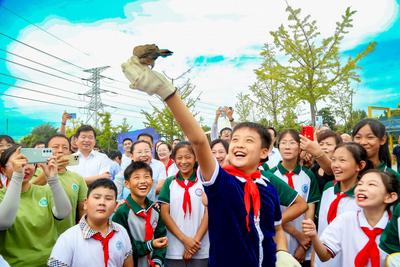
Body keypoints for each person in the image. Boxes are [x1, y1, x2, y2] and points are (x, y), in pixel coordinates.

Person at [121, 55, 300, 266]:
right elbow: (198, 141)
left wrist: (283, 254)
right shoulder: (222, 182)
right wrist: (166, 92)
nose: (239, 144)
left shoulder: (268, 186)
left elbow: (276, 229)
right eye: (235, 139)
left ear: (264, 152)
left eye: (248, 140)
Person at [303, 170, 399, 267]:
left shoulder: (395, 226)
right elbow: (324, 256)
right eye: (360, 184)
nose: (361, 188)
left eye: (371, 184)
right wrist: (314, 236)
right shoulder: (345, 219)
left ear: (390, 197)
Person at [0, 145, 71, 267]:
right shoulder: (2, 196)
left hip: (51, 262)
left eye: (29, 163)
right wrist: (17, 176)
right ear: (3, 170)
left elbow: (63, 213)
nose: (25, 167)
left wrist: (53, 179)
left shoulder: (45, 191)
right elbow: (4, 222)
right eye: (18, 162)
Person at [48, 178, 134, 267]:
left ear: (116, 206)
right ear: (85, 203)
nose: (102, 202)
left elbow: (128, 263)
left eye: (108, 198)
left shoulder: (121, 232)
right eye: (97, 197)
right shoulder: (68, 238)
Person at [269, 129, 321, 266]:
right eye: (283, 143)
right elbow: (271, 213)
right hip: (278, 241)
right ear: (278, 147)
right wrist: (297, 234)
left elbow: (309, 211)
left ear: (300, 148)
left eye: (292, 143)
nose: (287, 146)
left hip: (303, 243)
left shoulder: (308, 176)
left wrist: (304, 245)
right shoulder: (270, 176)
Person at [315, 142, 371, 267]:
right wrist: (315, 258)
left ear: (360, 165)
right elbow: (322, 227)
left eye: (342, 160)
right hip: (323, 261)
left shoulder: (367, 197)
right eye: (333, 160)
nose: (335, 165)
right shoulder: (328, 188)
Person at [158, 141, 209, 266]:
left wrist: (194, 242)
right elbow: (164, 214)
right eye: (179, 158)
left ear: (195, 157)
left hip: (201, 247)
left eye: (188, 157)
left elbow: (209, 212)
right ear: (174, 159)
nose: (183, 161)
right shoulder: (170, 182)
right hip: (174, 248)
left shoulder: (204, 181)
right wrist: (185, 240)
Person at [113, 161, 168, 267]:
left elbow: (161, 237)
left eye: (146, 177)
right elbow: (123, 246)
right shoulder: (122, 212)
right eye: (137, 177)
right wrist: (150, 245)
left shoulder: (155, 209)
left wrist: (157, 261)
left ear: (152, 182)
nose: (143, 181)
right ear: (127, 184)